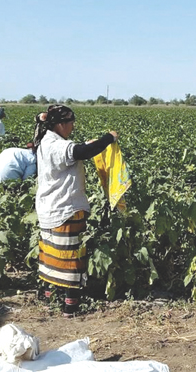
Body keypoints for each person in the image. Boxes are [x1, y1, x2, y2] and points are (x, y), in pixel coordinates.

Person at [33, 105, 118, 317]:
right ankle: (70, 306)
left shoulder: (47, 141)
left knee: (50, 255)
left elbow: (77, 150)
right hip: (64, 208)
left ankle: (48, 297)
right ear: (60, 124)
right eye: (71, 123)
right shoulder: (56, 146)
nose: (73, 126)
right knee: (71, 257)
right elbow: (82, 152)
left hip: (50, 207)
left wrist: (87, 145)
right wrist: (109, 138)